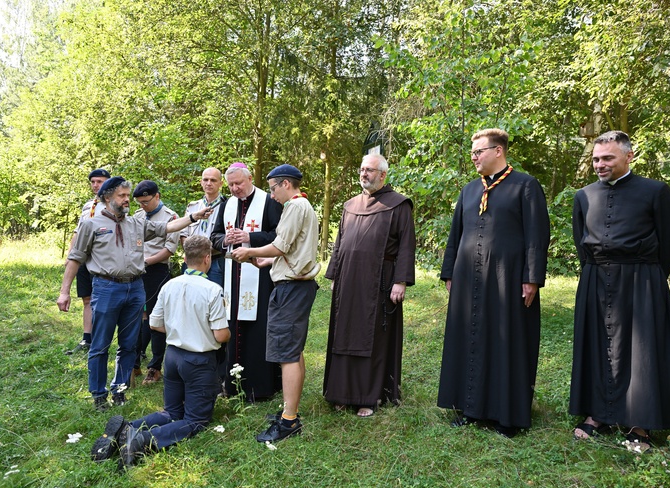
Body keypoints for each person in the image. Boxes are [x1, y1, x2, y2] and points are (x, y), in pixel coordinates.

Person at [569, 130, 670, 452]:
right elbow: (582, 242)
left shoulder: (655, 192)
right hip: (594, 280)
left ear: (628, 156)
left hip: (641, 281)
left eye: (607, 158)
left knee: (640, 353)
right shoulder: (583, 196)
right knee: (596, 345)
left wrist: (648, 278)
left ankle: (639, 424)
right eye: (595, 159)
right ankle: (597, 415)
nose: (600, 165)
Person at [437, 128, 550, 437]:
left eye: (479, 152)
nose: (474, 157)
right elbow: (455, 235)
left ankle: (507, 416)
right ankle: (471, 408)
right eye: (472, 152)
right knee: (470, 340)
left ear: (498, 151)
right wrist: (449, 273)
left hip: (507, 279)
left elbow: (537, 236)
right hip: (468, 279)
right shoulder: (469, 191)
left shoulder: (525, 186)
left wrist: (532, 278)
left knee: (506, 342)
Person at [56, 176, 195, 411]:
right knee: (100, 345)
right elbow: (75, 258)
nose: (126, 200)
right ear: (107, 198)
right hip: (106, 288)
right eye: (121, 196)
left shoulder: (135, 223)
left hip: (135, 288)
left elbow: (167, 227)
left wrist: (192, 217)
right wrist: (64, 292)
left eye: (127, 195)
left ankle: (119, 390)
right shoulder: (91, 225)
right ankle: (99, 395)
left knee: (129, 345)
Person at [90, 235, 230, 468]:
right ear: (207, 259)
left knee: (172, 411)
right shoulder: (213, 290)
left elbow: (155, 324)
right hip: (199, 361)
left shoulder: (169, 285)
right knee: (196, 419)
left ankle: (128, 428)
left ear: (184, 259)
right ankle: (143, 440)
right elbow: (220, 335)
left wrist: (178, 330)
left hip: (173, 357)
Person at [323, 154, 416, 418]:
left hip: (380, 281)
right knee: (344, 332)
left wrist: (400, 281)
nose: (364, 174)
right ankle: (341, 392)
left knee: (372, 336)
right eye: (362, 169)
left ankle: (369, 396)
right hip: (349, 280)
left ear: (383, 175)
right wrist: (335, 276)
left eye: (370, 170)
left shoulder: (399, 205)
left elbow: (407, 246)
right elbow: (339, 243)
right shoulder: (350, 205)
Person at [232, 164, 320, 443]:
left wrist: (250, 250)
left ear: (285, 184)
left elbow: (281, 245)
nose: (271, 196)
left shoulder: (295, 207)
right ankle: (288, 410)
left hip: (292, 288)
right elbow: (292, 248)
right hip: (294, 284)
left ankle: (289, 421)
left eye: (272, 189)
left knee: (287, 353)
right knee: (293, 350)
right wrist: (265, 261)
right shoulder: (302, 206)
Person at [210, 163, 283, 401]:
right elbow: (214, 236)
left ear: (250, 178)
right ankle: (231, 385)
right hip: (232, 275)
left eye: (239, 183)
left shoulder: (269, 201)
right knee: (233, 328)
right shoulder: (226, 204)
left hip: (260, 274)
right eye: (230, 184)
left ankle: (261, 387)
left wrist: (249, 237)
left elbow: (279, 236)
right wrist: (225, 239)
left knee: (259, 329)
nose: (234, 188)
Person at [132, 180, 180, 385]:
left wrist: (146, 261)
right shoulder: (137, 216)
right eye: (139, 202)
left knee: (156, 319)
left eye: (146, 201)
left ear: (157, 196)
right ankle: (134, 363)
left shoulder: (171, 218)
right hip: (135, 271)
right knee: (135, 317)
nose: (143, 206)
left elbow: (169, 249)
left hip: (156, 271)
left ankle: (155, 367)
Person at [65, 168, 111, 354]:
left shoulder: (113, 205)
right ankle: (87, 338)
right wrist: (70, 254)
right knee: (87, 298)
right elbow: (78, 231)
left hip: (101, 258)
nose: (95, 185)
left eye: (99, 181)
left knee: (102, 300)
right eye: (92, 182)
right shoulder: (87, 206)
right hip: (83, 257)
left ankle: (101, 339)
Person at [180, 167, 226, 285]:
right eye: (205, 180)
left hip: (215, 260)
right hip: (191, 261)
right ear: (201, 182)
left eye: (213, 180)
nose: (208, 183)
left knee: (215, 295)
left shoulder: (227, 207)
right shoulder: (193, 207)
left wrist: (206, 251)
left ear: (221, 183)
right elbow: (183, 234)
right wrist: (194, 251)